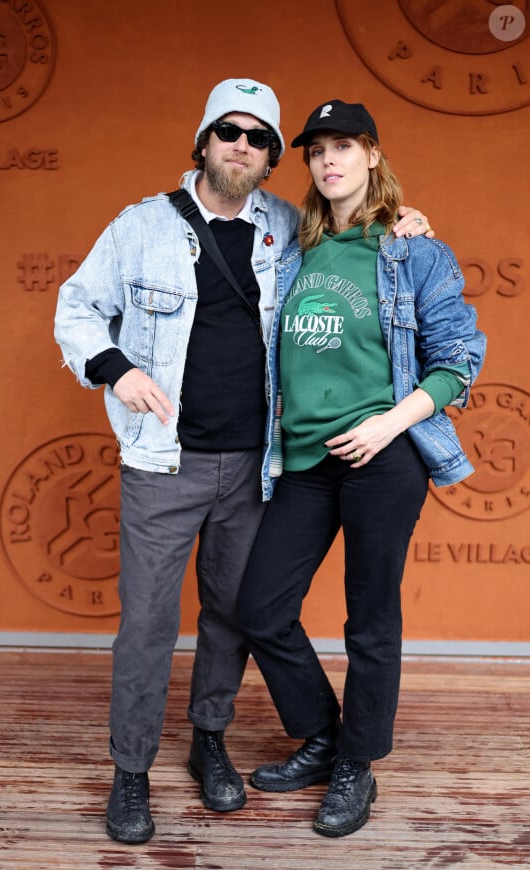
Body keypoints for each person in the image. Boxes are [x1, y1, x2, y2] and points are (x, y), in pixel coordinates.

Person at [54, 80, 431, 844]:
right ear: (203, 140)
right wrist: (115, 367)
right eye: (229, 130)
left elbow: (363, 241)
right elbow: (75, 305)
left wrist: (408, 222)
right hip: (164, 461)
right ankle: (131, 773)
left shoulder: (289, 229)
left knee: (233, 619)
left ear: (268, 161)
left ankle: (209, 742)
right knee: (149, 626)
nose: (242, 145)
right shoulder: (140, 227)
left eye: (260, 139)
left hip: (257, 466)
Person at [236, 99, 486, 839]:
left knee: (370, 621)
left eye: (344, 146)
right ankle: (322, 735)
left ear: (372, 156)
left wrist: (386, 424)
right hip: (306, 461)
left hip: (384, 458)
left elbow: (458, 364)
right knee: (261, 610)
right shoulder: (291, 249)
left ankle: (357, 762)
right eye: (317, 151)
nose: (329, 161)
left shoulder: (413, 251)